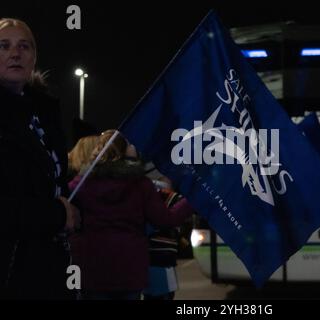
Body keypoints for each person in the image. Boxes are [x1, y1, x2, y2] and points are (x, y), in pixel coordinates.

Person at [0, 18, 80, 299]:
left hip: (47, 266)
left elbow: (50, 184)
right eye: (4, 45)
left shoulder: (43, 113)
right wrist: (56, 214)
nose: (15, 53)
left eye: (24, 46)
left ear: (34, 57)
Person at [69, 130, 194, 300]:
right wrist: (192, 201)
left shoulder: (80, 184)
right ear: (123, 150)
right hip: (130, 271)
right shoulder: (140, 185)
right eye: (130, 144)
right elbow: (165, 220)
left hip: (91, 269)